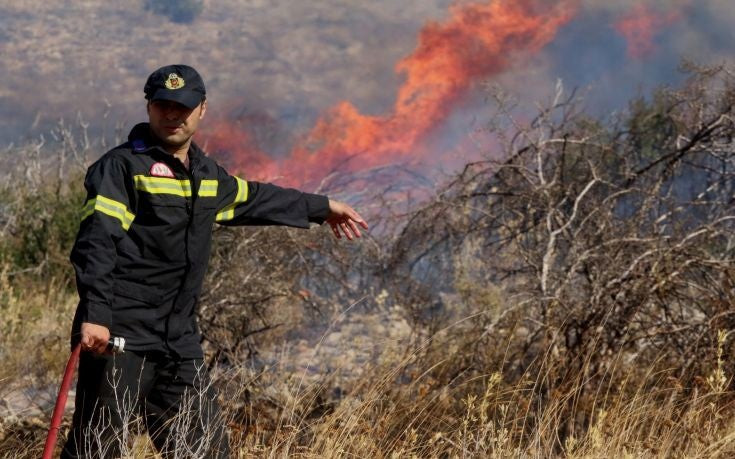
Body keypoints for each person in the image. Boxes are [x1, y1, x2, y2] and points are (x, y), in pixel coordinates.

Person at [61, 64, 368, 458]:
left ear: (202, 109)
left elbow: (256, 198)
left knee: (204, 449)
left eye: (183, 107)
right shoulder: (121, 168)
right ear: (149, 106)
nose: (172, 115)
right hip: (119, 335)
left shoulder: (207, 175)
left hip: (178, 342)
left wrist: (323, 207)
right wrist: (96, 314)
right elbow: (97, 242)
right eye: (163, 105)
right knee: (96, 449)